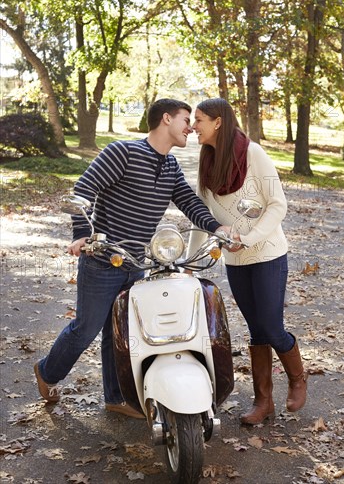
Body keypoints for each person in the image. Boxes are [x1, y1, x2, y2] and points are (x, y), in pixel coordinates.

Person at [34, 98, 231, 418]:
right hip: (103, 261)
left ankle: (116, 397)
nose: (191, 127)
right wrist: (81, 234)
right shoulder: (122, 152)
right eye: (185, 119)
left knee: (121, 333)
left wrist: (218, 227)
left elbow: (189, 203)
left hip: (137, 263)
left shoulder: (170, 166)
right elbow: (84, 188)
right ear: (166, 119)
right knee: (87, 328)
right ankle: (47, 372)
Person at [187, 97, 308, 425]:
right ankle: (263, 401)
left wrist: (249, 238)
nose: (193, 126)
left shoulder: (253, 153)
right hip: (236, 261)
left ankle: (298, 379)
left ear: (218, 122)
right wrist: (187, 262)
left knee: (271, 326)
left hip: (267, 253)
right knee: (256, 329)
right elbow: (202, 214)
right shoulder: (207, 159)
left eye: (199, 119)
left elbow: (278, 205)